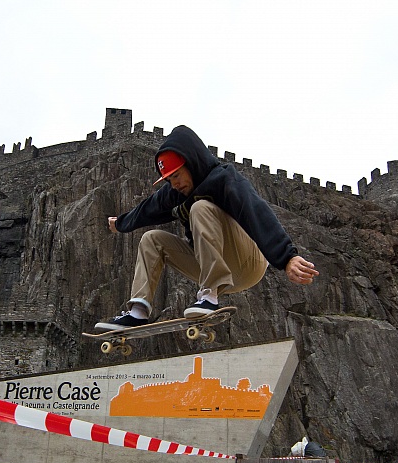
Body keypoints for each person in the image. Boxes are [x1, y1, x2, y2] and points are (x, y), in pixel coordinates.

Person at [94, 124, 319, 331]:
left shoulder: (225, 179)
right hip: (215, 265)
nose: (175, 185)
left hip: (248, 262)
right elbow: (146, 210)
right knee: (151, 239)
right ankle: (138, 312)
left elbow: (256, 211)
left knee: (200, 208)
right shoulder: (174, 193)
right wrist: (121, 224)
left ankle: (209, 295)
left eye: (177, 176)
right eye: (169, 180)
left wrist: (287, 257)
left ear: (191, 163)